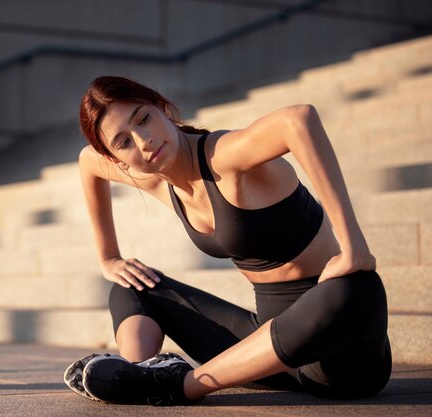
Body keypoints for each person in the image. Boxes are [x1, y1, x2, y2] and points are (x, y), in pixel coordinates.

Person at [63, 75, 392, 406]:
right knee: (133, 285)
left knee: (357, 287)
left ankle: (178, 385)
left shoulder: (224, 156)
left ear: (164, 109)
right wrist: (108, 257)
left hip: (338, 356)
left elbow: (298, 119)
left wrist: (354, 247)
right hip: (263, 354)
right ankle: (139, 373)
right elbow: (88, 162)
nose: (144, 141)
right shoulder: (156, 179)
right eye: (124, 142)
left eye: (144, 119)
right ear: (118, 159)